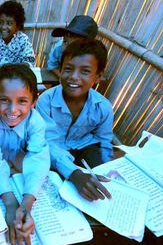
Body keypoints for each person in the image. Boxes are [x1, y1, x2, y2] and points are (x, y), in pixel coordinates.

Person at [36, 39, 113, 201]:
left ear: (98, 76)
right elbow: (46, 142)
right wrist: (74, 173)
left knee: (99, 184)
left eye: (85, 71)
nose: (73, 77)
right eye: (68, 69)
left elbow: (104, 143)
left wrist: (107, 169)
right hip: (53, 151)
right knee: (50, 189)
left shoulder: (103, 107)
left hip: (84, 148)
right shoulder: (46, 101)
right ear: (60, 69)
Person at [0, 64, 50, 245]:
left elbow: (38, 159)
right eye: (5, 100)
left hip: (19, 175)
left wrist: (26, 204)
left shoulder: (36, 122)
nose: (13, 110)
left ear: (34, 101)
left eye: (22, 101)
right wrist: (11, 204)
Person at [0, 0, 35, 72]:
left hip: (16, 79)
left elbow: (30, 62)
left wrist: (16, 67)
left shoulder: (23, 40)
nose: (4, 27)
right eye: (1, 22)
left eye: (9, 23)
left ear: (17, 26)